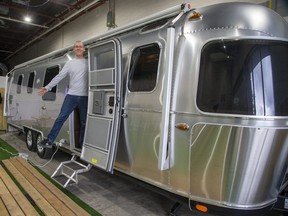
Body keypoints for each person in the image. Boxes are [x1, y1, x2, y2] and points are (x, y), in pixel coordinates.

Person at [38, 40, 88, 148]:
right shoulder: (70, 63)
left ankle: (82, 144)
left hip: (85, 97)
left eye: (80, 46)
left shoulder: (89, 63)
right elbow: (59, 76)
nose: (78, 48)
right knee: (61, 118)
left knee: (85, 122)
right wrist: (47, 87)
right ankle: (49, 141)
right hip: (71, 96)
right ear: (74, 49)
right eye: (76, 47)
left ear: (84, 49)